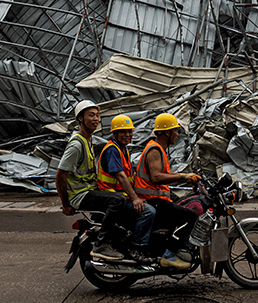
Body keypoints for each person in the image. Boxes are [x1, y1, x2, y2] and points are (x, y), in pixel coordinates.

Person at [55, 100, 126, 261]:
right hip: (80, 195)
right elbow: (60, 175)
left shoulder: (88, 140)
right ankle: (102, 244)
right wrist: (66, 204)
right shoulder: (76, 144)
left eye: (97, 115)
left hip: (89, 191)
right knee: (118, 201)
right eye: (91, 115)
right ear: (80, 118)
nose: (96, 119)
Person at [133, 112, 201, 270]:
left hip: (157, 198)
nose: (177, 134)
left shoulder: (160, 149)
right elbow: (156, 177)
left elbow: (163, 175)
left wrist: (186, 178)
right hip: (152, 200)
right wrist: (184, 175)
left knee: (184, 205)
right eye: (175, 131)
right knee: (190, 216)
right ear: (165, 132)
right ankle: (170, 255)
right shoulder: (155, 150)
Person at [97, 114, 156, 263]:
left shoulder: (123, 150)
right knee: (148, 212)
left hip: (122, 196)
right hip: (113, 197)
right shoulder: (112, 150)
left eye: (130, 131)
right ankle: (136, 248)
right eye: (123, 131)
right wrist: (135, 198)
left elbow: (130, 176)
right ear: (114, 133)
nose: (128, 135)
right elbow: (121, 176)